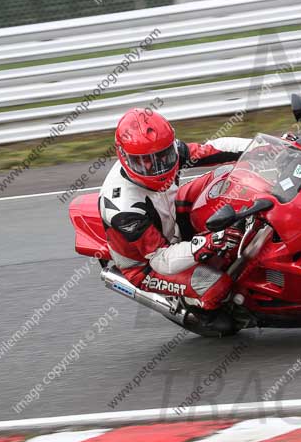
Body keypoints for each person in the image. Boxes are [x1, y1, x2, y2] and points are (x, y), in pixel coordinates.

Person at [99, 108, 250, 332]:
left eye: (163, 156)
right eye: (145, 162)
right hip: (147, 264)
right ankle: (199, 309)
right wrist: (208, 242)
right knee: (219, 287)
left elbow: (212, 149)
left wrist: (264, 147)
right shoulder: (123, 209)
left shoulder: (164, 151)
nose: (158, 166)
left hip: (171, 212)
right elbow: (160, 258)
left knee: (226, 176)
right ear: (125, 157)